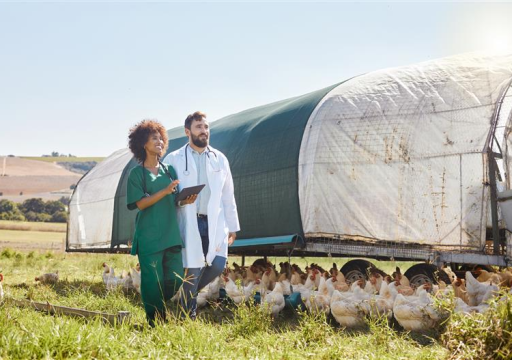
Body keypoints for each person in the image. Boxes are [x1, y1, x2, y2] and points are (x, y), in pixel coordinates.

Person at [163, 111, 240, 319]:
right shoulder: (174, 159)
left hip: (215, 221)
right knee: (193, 268)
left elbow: (228, 195)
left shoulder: (220, 159)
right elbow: (166, 193)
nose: (204, 131)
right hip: (189, 220)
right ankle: (188, 314)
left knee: (217, 265)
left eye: (206, 127)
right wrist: (179, 200)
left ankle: (187, 296)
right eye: (199, 127)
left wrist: (232, 227)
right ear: (188, 131)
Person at [126, 119, 195, 326]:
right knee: (152, 281)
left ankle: (153, 301)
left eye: (160, 138)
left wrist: (185, 199)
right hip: (149, 236)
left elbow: (173, 200)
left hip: (170, 233)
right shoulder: (137, 174)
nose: (159, 141)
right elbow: (141, 203)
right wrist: (165, 191)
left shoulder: (168, 171)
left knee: (174, 279)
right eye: (153, 138)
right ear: (142, 144)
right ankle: (156, 322)